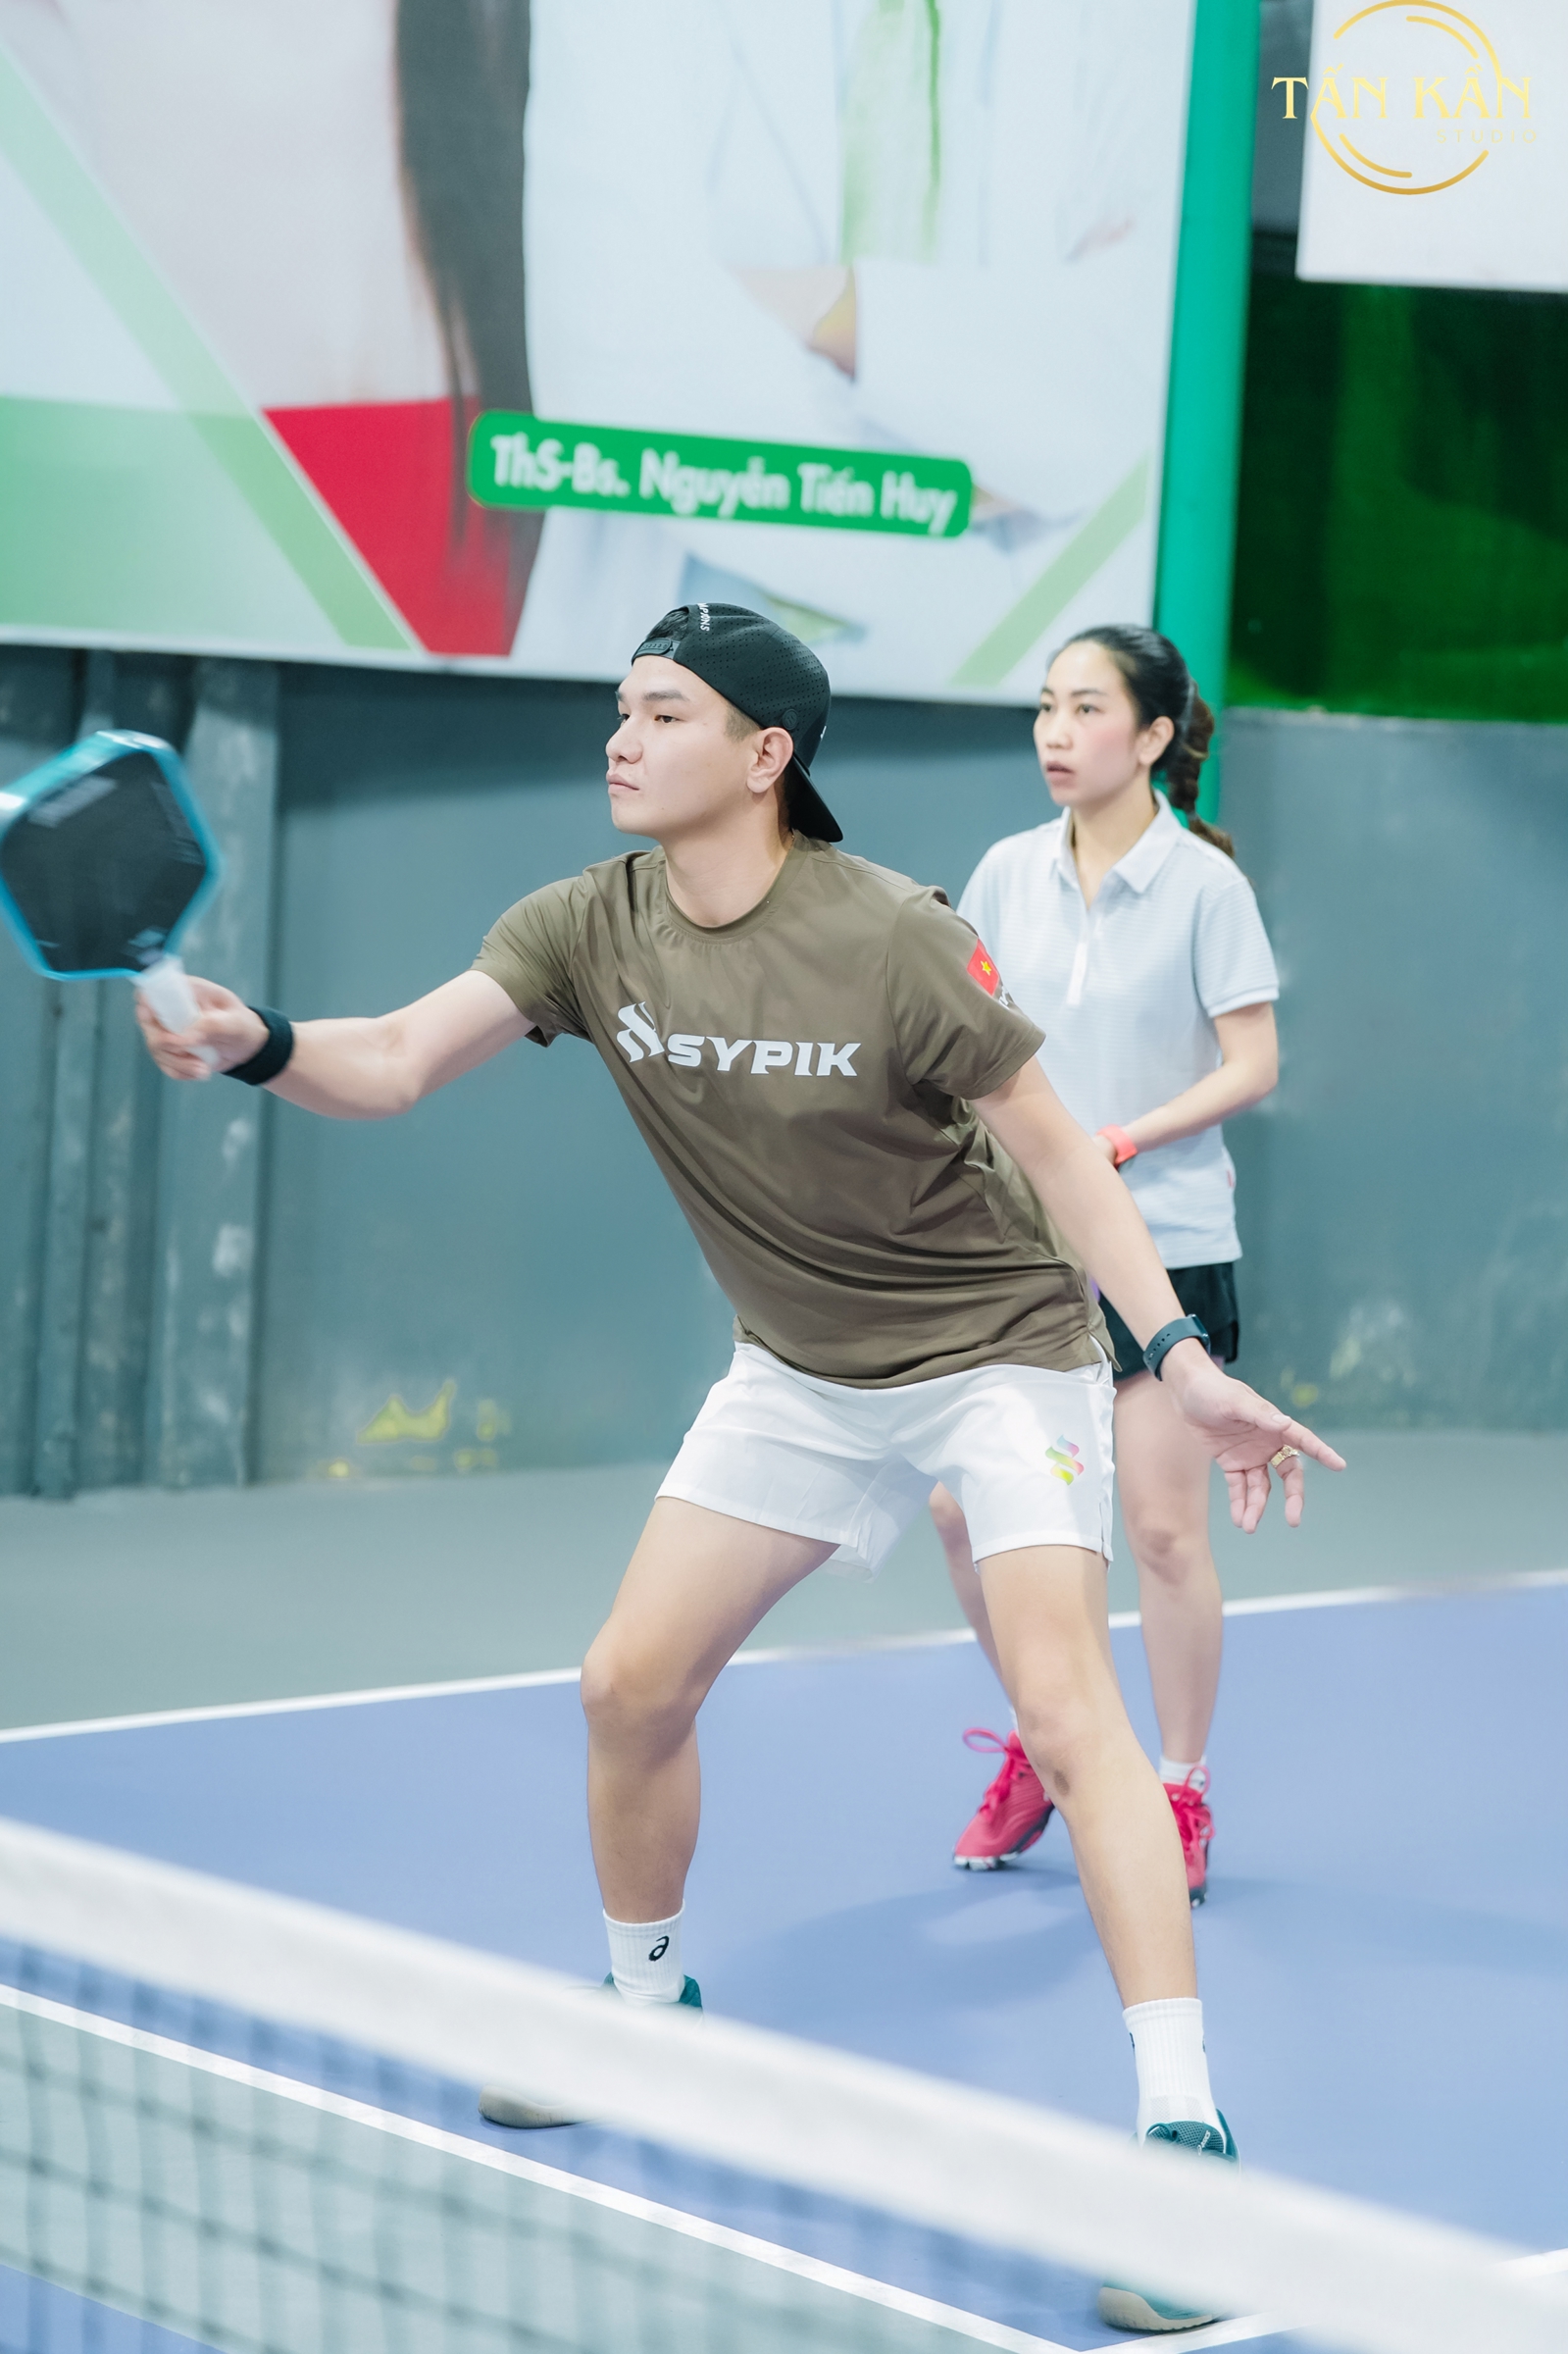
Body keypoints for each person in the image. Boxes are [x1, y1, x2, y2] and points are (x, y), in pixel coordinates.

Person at [136, 604, 1341, 2334]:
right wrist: (255, 1038)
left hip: (997, 1356)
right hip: (797, 1371)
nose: (621, 739)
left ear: (765, 754)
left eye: (663, 712)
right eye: (620, 710)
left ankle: (1184, 2135)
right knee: (627, 1684)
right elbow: (391, 1062)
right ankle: (644, 2010)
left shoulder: (894, 933)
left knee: (1071, 1711)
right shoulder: (586, 924)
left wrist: (1177, 1357)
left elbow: (1065, 1158)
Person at [937, 626, 1281, 1907]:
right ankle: (1050, 1740)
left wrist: (1125, 1139)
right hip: (1019, 1253)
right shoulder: (1004, 872)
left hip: (1167, 1248)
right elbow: (962, 1040)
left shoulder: (1206, 887)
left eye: (1087, 708)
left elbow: (1253, 1064)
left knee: (1160, 1531)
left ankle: (1178, 1787)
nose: (1055, 731)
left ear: (1153, 738)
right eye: (1045, 706)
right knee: (964, 1513)